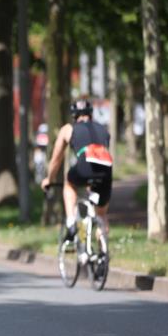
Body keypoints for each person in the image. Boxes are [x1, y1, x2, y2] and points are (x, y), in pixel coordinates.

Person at [41, 99, 114, 240]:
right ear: (90, 114)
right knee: (101, 215)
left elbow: (56, 159)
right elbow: (99, 157)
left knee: (69, 184)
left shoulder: (68, 129)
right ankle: (103, 255)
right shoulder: (103, 129)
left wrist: (49, 179)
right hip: (106, 170)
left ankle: (71, 222)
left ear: (74, 116)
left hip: (84, 166)